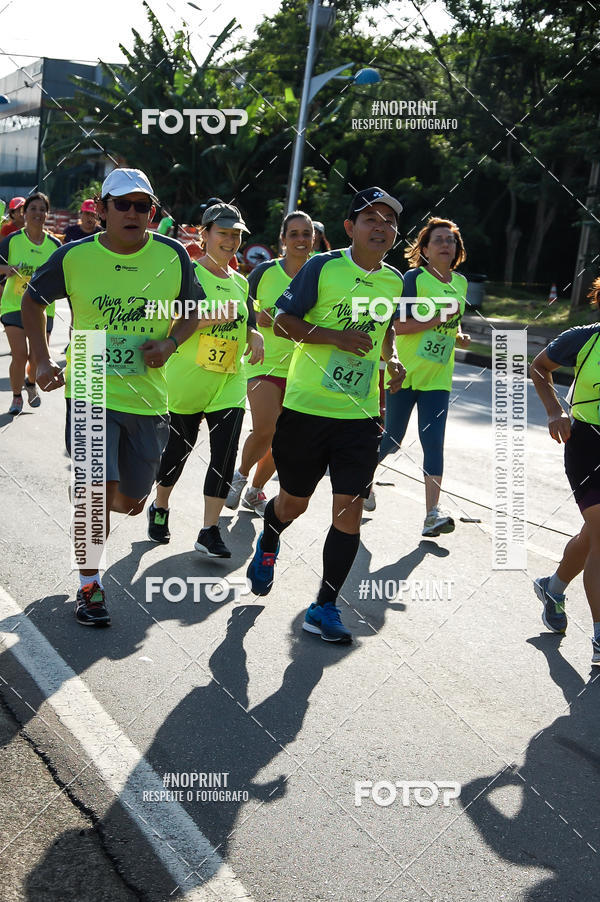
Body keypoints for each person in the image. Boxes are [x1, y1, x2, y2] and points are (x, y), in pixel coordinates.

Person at [22, 167, 203, 628]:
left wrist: (170, 344)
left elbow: (193, 311)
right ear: (102, 210)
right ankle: (89, 584)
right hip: (90, 385)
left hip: (147, 396)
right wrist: (41, 361)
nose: (133, 213)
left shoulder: (173, 255)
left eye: (142, 206)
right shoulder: (75, 256)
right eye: (122, 204)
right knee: (94, 494)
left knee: (130, 501)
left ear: (152, 213)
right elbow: (32, 301)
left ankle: (93, 497)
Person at [245, 187, 406, 643]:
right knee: (294, 502)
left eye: (389, 221)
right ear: (349, 228)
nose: (381, 227)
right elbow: (280, 321)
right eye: (370, 219)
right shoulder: (323, 267)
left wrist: (390, 359)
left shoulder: (394, 281)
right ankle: (270, 537)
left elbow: (386, 327)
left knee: (349, 511)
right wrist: (333, 337)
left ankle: (324, 606)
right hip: (307, 409)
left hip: (359, 416)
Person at [147, 202, 263, 556]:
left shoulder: (241, 281)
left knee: (224, 453)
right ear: (205, 234)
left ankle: (209, 530)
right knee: (178, 451)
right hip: (187, 379)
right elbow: (163, 318)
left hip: (229, 380)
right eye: (223, 233)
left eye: (236, 235)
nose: (230, 241)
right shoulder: (188, 275)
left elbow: (248, 318)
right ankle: (161, 506)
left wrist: (254, 334)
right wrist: (209, 317)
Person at [373, 217, 471, 535]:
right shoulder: (413, 279)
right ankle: (360, 477)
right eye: (439, 240)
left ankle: (432, 514)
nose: (446, 244)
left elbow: (451, 319)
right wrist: (436, 318)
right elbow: (398, 325)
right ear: (425, 249)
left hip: (438, 379)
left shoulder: (460, 283)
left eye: (451, 240)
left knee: (434, 443)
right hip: (406, 374)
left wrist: (458, 334)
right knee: (392, 438)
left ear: (457, 249)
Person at [530, 276, 600, 665]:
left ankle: (554, 587)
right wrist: (555, 411)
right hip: (587, 443)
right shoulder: (584, 338)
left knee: (594, 535)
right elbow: (540, 367)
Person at [226, 210, 314, 515]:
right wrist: (255, 326)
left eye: (306, 234)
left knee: (285, 439)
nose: (300, 239)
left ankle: (256, 491)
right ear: (283, 240)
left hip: (303, 368)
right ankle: (239, 476)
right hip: (263, 362)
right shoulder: (264, 272)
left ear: (313, 239)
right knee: (267, 426)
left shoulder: (319, 274)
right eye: (294, 234)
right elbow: (242, 311)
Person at [0, 192, 61, 414]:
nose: (38, 213)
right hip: (14, 305)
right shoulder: (12, 240)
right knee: (20, 354)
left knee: (36, 358)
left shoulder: (55, 245)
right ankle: (16, 398)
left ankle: (30, 382)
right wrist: (7, 269)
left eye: (42, 209)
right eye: (33, 209)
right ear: (24, 213)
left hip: (44, 308)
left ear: (47, 214)